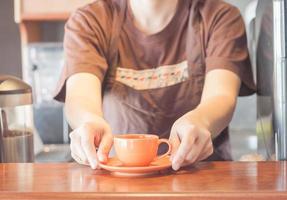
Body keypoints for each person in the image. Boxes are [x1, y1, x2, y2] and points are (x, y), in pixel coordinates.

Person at [54, 0, 255, 171]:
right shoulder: (91, 20)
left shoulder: (219, 17)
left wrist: (201, 121)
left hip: (199, 175)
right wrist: (88, 122)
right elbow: (80, 95)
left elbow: (221, 96)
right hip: (116, 178)